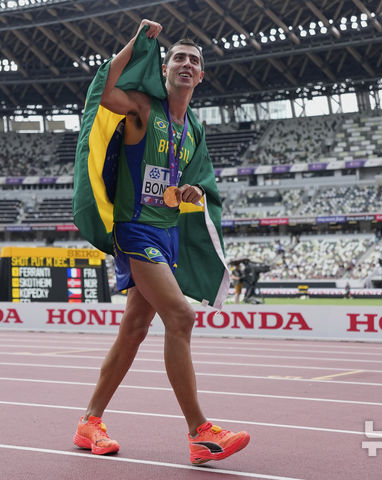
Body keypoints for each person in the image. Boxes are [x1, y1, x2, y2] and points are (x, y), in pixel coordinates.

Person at [72, 19, 249, 465]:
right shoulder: (142, 108)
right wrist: (134, 43)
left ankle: (89, 421)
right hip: (135, 230)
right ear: (165, 69)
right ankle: (200, 433)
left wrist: (193, 193)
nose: (186, 65)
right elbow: (102, 92)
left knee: (134, 329)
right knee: (181, 316)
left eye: (194, 60)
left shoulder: (193, 130)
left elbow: (195, 184)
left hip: (167, 233)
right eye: (178, 59)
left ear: (201, 75)